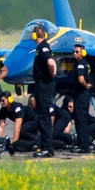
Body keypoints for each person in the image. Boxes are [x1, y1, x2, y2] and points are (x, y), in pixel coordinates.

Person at [31, 24, 57, 158]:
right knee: (43, 116)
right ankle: (46, 146)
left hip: (43, 85)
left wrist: (51, 74)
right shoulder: (44, 47)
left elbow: (51, 63)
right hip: (44, 84)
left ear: (34, 36)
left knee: (44, 117)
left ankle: (48, 148)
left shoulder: (43, 47)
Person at [71, 41, 93, 153]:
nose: (74, 53)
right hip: (83, 94)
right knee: (82, 119)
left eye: (77, 52)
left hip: (81, 95)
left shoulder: (80, 64)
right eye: (73, 51)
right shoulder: (85, 63)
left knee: (80, 120)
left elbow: (80, 80)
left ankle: (83, 146)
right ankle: (83, 144)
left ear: (82, 53)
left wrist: (85, 85)